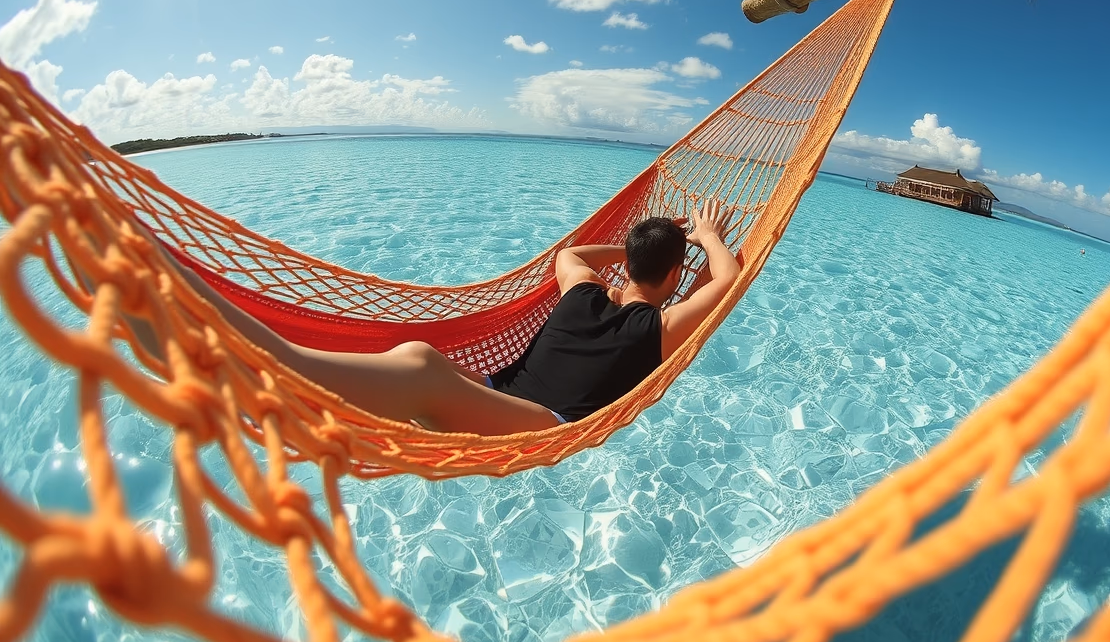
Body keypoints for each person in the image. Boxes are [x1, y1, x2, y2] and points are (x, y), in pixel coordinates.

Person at [134, 199, 740, 436]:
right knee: (417, 358)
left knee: (421, 368)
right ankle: (236, 354)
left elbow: (572, 254)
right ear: (674, 278)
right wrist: (708, 238)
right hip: (510, 401)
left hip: (533, 418)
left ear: (628, 265)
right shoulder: (660, 329)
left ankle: (239, 352)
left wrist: (632, 248)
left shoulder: (584, 292)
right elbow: (727, 280)